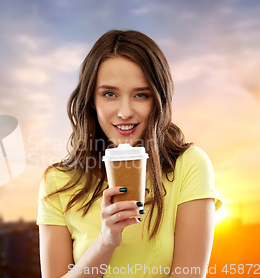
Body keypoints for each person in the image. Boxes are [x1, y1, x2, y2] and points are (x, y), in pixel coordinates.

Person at [37, 30, 223, 278]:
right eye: (110, 94)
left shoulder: (189, 165)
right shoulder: (58, 182)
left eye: (141, 95)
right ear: (92, 100)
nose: (125, 112)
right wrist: (106, 241)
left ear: (158, 100)